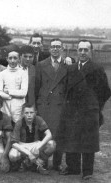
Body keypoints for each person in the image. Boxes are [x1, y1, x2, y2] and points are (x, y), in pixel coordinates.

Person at [57, 40, 111, 180]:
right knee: (72, 138)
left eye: (85, 50)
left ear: (90, 51)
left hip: (89, 110)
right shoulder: (71, 68)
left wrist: (95, 105)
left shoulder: (97, 68)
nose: (82, 52)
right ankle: (73, 168)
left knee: (88, 141)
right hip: (72, 110)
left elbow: (105, 91)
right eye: (80, 50)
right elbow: (65, 88)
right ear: (76, 51)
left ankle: (87, 171)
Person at [34, 38, 68, 170]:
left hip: (59, 106)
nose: (55, 49)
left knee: (58, 134)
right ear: (49, 49)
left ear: (62, 49)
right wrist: (37, 105)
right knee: (43, 134)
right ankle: (41, 162)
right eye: (53, 46)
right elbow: (37, 87)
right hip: (44, 106)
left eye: (58, 46)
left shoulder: (68, 64)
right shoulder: (41, 65)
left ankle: (57, 163)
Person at [9, 104, 55, 175]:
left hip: (35, 144)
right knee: (13, 155)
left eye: (31, 112)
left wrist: (39, 147)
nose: (29, 115)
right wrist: (29, 153)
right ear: (22, 114)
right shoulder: (19, 123)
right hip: (22, 145)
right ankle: (24, 162)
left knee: (52, 144)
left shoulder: (38, 119)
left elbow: (49, 135)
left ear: (35, 113)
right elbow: (14, 143)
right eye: (26, 113)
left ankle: (38, 163)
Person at [0, 49, 28, 123]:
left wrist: (8, 91)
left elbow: (23, 93)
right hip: (5, 104)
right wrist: (9, 97)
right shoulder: (2, 74)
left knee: (17, 125)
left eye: (15, 58)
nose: (13, 61)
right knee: (5, 125)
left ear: (19, 59)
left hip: (19, 105)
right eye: (10, 58)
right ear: (7, 59)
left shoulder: (23, 73)